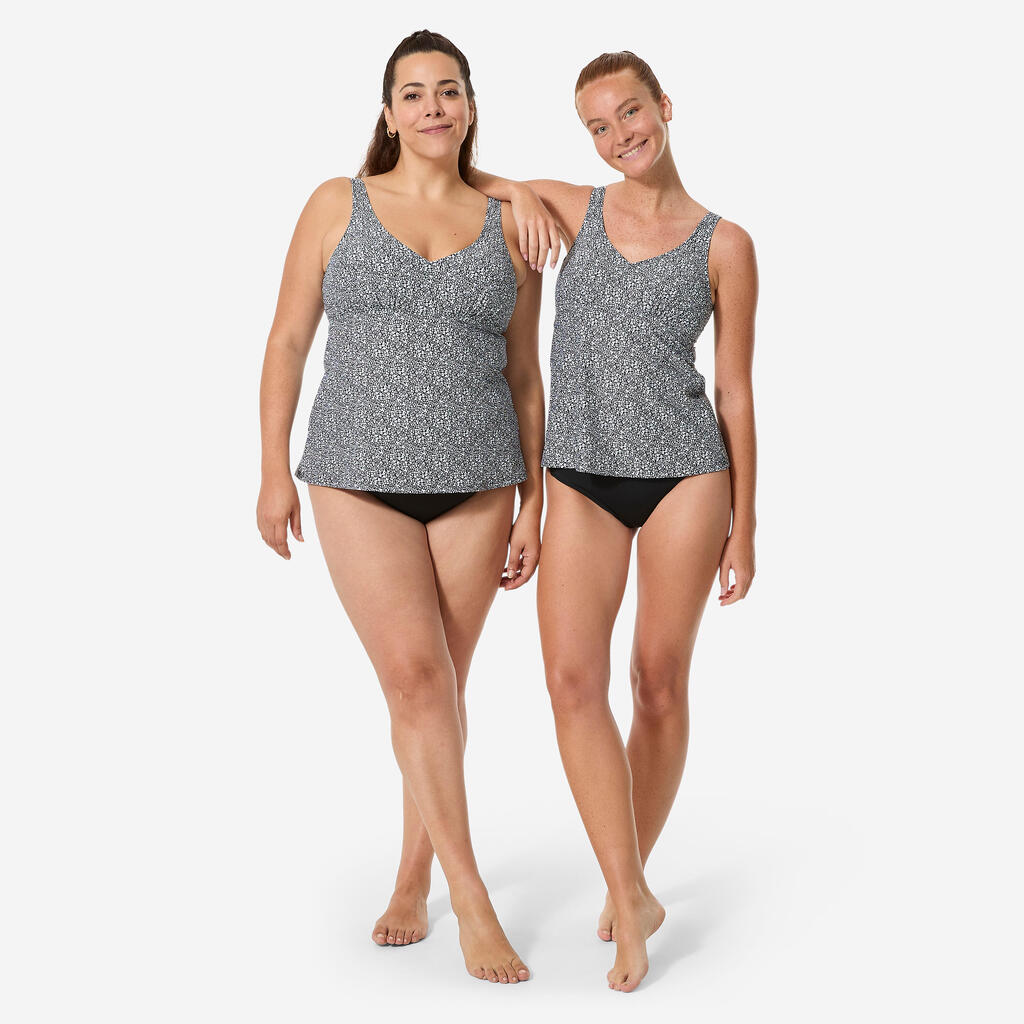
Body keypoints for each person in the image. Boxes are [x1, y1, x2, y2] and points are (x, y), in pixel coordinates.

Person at [256, 30, 544, 984]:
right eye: (413, 93)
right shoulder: (336, 203)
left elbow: (524, 374)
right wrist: (271, 469)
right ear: (387, 113)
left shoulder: (509, 222)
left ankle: (415, 874)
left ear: (469, 107)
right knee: (416, 683)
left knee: (442, 695)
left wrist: (534, 500)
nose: (431, 106)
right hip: (353, 474)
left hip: (478, 481)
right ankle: (472, 898)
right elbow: (288, 340)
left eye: (447, 91)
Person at [468, 50, 758, 992]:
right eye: (597, 126)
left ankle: (627, 888)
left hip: (686, 477)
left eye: (629, 113)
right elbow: (472, 179)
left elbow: (735, 390)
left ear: (664, 106)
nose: (618, 135)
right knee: (571, 682)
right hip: (582, 480)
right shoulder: (571, 209)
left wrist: (746, 524)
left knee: (657, 684)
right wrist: (518, 195)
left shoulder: (725, 244)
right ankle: (631, 893)